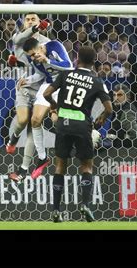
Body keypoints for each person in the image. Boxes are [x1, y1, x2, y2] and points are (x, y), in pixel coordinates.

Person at [43, 46, 112, 222]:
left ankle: (56, 211)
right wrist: (103, 117)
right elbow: (109, 108)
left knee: (60, 167)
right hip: (83, 126)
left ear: (77, 59)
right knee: (87, 166)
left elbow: (46, 93)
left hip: (63, 124)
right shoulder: (96, 81)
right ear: (93, 62)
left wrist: (54, 106)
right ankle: (85, 205)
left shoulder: (65, 75)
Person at [20, 36, 73, 180]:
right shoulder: (33, 59)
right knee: (35, 120)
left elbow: (68, 66)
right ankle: (42, 158)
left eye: (33, 54)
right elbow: (41, 74)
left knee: (60, 120)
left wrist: (48, 60)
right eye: (29, 56)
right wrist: (28, 80)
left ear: (40, 47)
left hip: (66, 83)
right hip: (50, 85)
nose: (32, 58)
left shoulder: (54, 46)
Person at [6, 13, 50, 184]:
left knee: (34, 126)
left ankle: (23, 170)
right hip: (23, 87)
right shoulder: (18, 38)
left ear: (40, 22)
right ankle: (13, 138)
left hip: (41, 89)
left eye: (34, 19)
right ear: (24, 23)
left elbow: (45, 68)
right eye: (28, 19)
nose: (30, 21)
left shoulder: (45, 43)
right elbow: (20, 43)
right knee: (23, 120)